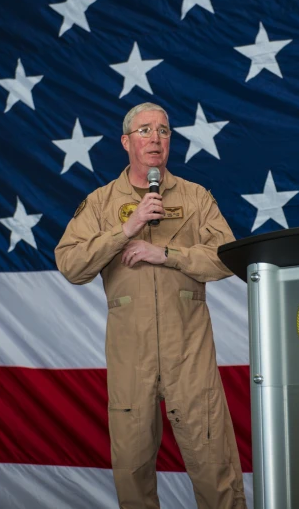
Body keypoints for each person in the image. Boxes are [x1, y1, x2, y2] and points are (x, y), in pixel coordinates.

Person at [55, 102, 247, 508]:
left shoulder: (196, 198)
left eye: (163, 130)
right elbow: (70, 265)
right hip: (131, 358)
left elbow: (227, 258)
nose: (155, 138)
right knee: (133, 472)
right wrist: (126, 229)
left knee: (215, 466)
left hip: (188, 353)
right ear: (126, 142)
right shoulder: (103, 202)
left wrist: (169, 255)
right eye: (144, 130)